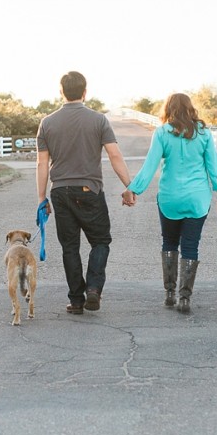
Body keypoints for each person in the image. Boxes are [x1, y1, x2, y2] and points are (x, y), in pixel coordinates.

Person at [36, 71, 133, 315]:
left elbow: (42, 164)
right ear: (85, 92)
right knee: (100, 241)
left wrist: (41, 199)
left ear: (61, 92)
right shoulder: (99, 120)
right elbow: (114, 155)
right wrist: (129, 186)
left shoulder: (47, 123)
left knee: (70, 247)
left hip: (60, 191)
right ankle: (93, 289)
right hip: (90, 190)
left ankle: (77, 301)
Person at [121, 93, 217, 313]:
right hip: (197, 199)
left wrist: (133, 188)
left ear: (168, 109)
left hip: (170, 198)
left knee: (169, 242)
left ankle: (169, 294)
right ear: (190, 108)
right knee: (191, 245)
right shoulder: (203, 133)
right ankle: (185, 298)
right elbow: (214, 168)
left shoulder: (161, 133)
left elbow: (150, 166)